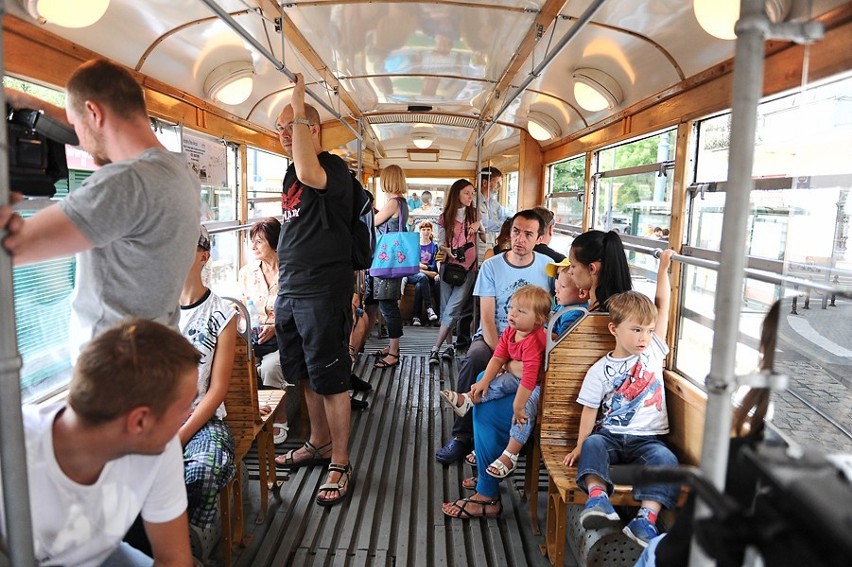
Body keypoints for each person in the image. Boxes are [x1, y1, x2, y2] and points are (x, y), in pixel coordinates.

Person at [0, 58, 200, 361]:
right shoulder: (181, 173)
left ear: (93, 112)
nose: (77, 137)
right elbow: (100, 138)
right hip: (157, 362)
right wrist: (25, 102)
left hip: (114, 372)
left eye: (76, 124)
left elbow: (12, 248)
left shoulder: (125, 183)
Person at [0, 319, 201, 566]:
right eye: (185, 406)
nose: (190, 413)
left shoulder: (161, 449)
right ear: (139, 422)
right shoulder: (12, 453)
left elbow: (173, 559)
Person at [271, 73, 354, 507]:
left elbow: (308, 167)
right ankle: (319, 441)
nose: (285, 135)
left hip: (323, 289)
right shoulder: (290, 174)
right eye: (280, 129)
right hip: (291, 289)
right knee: (302, 371)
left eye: (294, 126)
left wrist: (299, 98)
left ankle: (339, 461)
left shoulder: (332, 168)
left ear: (313, 129)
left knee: (331, 376)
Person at [563, 250, 678, 548]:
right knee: (592, 445)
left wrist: (663, 269)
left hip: (648, 438)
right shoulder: (600, 369)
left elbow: (662, 306)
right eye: (637, 330)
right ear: (614, 329)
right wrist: (579, 444)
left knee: (667, 460)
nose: (644, 337)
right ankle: (598, 499)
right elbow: (589, 410)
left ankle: (646, 520)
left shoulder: (653, 351)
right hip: (611, 435)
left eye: (649, 331)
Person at [435, 209, 552, 465]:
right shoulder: (491, 266)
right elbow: (486, 317)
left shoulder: (548, 268)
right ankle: (461, 435)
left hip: (531, 342)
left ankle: (515, 438)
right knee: (475, 357)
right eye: (516, 232)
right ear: (509, 233)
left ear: (539, 238)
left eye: (528, 234)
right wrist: (503, 355)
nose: (520, 239)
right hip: (495, 337)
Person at [440, 285, 551, 483]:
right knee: (494, 383)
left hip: (536, 385)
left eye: (521, 311)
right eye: (512, 308)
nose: (512, 314)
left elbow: (529, 377)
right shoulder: (511, 331)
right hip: (520, 378)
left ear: (539, 320)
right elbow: (498, 357)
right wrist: (484, 381)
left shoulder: (534, 341)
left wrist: (517, 406)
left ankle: (511, 454)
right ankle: (468, 399)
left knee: (524, 411)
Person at [178, 227, 237, 534]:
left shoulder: (222, 314)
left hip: (204, 419)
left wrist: (180, 436)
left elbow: (217, 390)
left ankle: (188, 542)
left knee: (203, 468)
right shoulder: (154, 307)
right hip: (155, 416)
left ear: (203, 256)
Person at [239, 217, 292, 444]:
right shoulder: (246, 273)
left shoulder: (291, 271)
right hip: (254, 336)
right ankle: (248, 415)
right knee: (239, 363)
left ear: (274, 242)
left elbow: (295, 309)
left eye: (259, 241)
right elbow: (242, 307)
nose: (253, 247)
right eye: (252, 241)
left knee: (270, 367)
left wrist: (275, 327)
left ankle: (280, 418)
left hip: (286, 338)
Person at [428, 179, 481, 364]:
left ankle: (434, 349)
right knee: (445, 308)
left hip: (469, 268)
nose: (470, 197)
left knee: (453, 308)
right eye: (467, 193)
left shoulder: (475, 214)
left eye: (472, 193)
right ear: (457, 193)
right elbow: (441, 244)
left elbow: (483, 236)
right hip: (449, 267)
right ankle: (449, 348)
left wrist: (478, 226)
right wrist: (447, 250)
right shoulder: (445, 217)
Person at [370, 164, 409, 369]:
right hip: (395, 259)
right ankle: (393, 345)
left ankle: (394, 352)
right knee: (389, 304)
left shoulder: (393, 203)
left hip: (387, 260)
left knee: (388, 305)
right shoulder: (402, 203)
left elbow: (373, 222)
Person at [567, 229, 633, 312]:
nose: (569, 272)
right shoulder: (626, 310)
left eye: (573, 266)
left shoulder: (592, 318)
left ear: (592, 269)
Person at [547, 258, 590, 339]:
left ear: (582, 292)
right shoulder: (563, 305)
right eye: (557, 283)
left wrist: (538, 333)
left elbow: (562, 340)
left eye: (562, 286)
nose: (556, 290)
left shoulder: (575, 313)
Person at [409, 220, 440, 326]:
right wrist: (424, 269)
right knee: (422, 278)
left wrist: (426, 267)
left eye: (428, 229)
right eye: (423, 229)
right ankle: (429, 308)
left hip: (427, 274)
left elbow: (434, 264)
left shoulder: (434, 246)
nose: (426, 232)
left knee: (421, 285)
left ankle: (416, 317)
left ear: (431, 231)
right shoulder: (415, 245)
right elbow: (413, 263)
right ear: (420, 231)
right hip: (415, 274)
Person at [477, 166, 508, 257]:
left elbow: (505, 214)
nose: (499, 186)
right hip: (479, 250)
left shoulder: (493, 203)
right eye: (497, 182)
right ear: (485, 182)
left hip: (492, 247)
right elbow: (485, 224)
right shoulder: (474, 202)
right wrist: (506, 226)